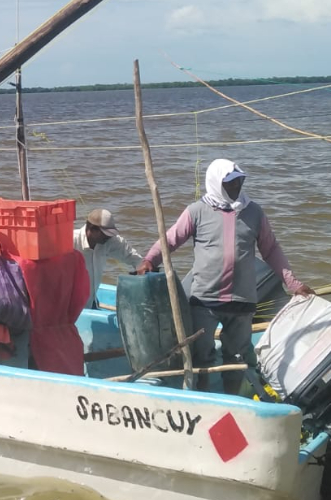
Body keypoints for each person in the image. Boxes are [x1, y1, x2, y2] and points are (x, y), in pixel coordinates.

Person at [134, 159, 313, 395]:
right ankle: (204, 397)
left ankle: (232, 399)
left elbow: (271, 250)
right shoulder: (197, 211)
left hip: (242, 300)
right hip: (205, 300)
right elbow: (170, 240)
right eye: (231, 183)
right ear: (217, 183)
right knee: (201, 356)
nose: (237, 187)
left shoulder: (253, 212)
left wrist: (293, 283)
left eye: (239, 181)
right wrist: (150, 259)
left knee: (237, 358)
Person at [74, 208, 145, 310]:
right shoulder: (71, 241)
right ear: (93, 229)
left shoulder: (108, 241)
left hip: (91, 302)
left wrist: (143, 266)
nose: (108, 238)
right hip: (70, 307)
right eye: (105, 234)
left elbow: (131, 256)